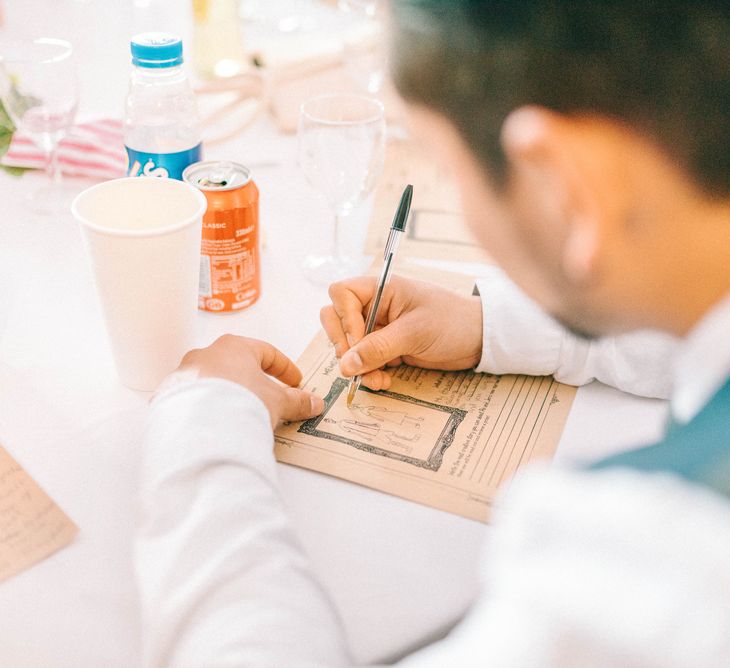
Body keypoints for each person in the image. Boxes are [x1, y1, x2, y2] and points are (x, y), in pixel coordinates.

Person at [135, 2, 730, 666]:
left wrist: (202, 426)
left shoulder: (652, 569)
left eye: (446, 167)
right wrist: (487, 324)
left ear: (567, 181)